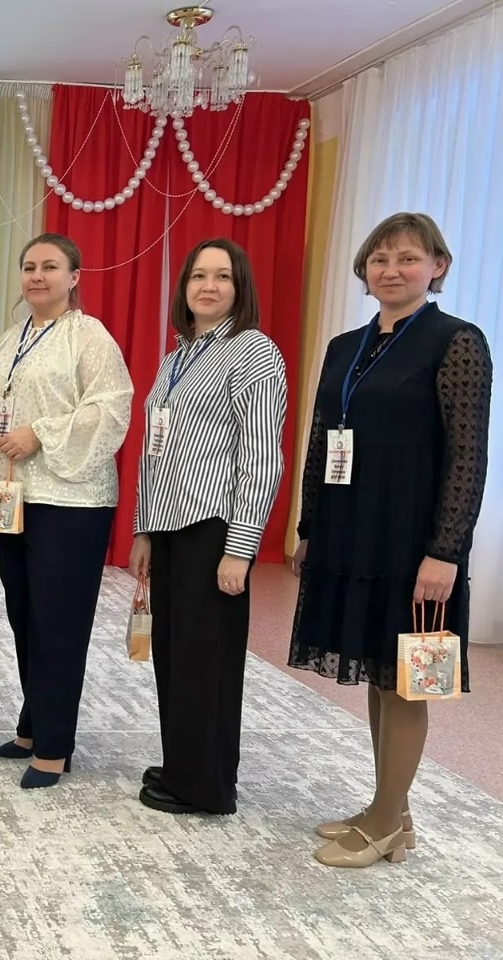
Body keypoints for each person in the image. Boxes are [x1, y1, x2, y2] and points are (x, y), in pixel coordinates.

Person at [289, 212, 491, 868]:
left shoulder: (457, 342)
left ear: (437, 266)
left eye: (408, 258)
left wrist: (446, 551)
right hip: (353, 532)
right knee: (379, 673)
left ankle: (384, 823)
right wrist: (310, 528)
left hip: (414, 541)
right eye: (379, 259)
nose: (391, 270)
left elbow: (467, 457)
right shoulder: (345, 347)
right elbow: (321, 442)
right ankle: (390, 809)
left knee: (407, 680)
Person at [0, 233, 133, 788]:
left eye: (50, 267)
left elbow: (112, 409)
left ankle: (55, 746)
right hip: (12, 497)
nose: (37, 276)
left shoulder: (90, 336)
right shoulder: (12, 338)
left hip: (70, 500)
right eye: (30, 266)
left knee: (58, 622)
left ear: (74, 277)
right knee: (25, 615)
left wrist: (40, 432)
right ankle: (33, 726)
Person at [128, 237, 287, 816]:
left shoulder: (254, 352)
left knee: (207, 662)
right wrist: (144, 529)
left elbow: (262, 458)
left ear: (240, 287)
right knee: (175, 656)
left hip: (214, 528)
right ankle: (184, 763)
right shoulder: (179, 356)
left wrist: (240, 549)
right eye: (198, 276)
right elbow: (155, 449)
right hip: (170, 526)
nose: (209, 286)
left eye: (222, 276)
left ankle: (207, 786)